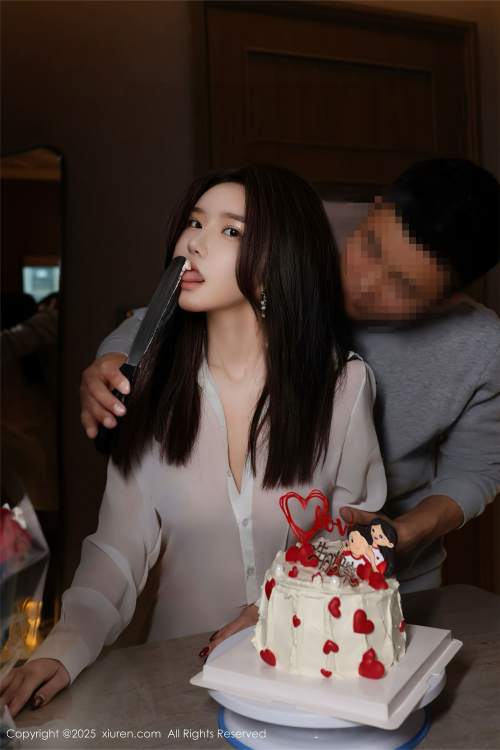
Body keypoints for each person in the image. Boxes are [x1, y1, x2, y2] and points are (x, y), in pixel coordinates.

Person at [1, 165, 387, 717]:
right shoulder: (146, 389)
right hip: (181, 679)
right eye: (194, 222)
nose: (194, 243)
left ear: (279, 260)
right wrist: (64, 648)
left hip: (309, 677)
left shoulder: (344, 386)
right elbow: (117, 548)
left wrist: (280, 605)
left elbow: (358, 537)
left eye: (231, 230)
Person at [82, 158, 500, 595]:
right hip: (247, 577)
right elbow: (174, 309)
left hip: (391, 583)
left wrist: (406, 532)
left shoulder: (481, 346)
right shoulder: (299, 238)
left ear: (449, 299)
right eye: (371, 246)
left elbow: (476, 470)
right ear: (376, 207)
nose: (363, 284)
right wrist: (114, 358)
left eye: (402, 285)